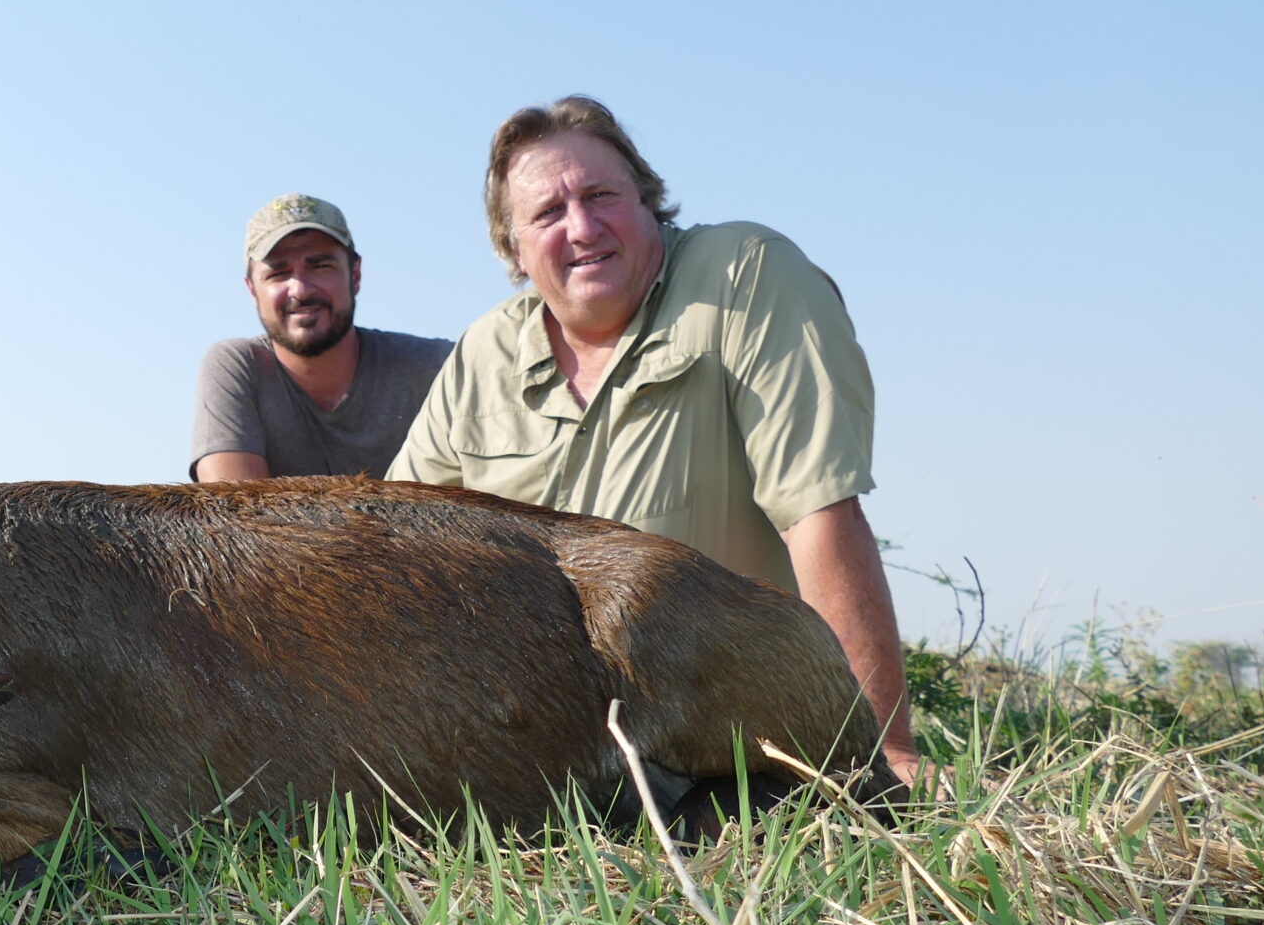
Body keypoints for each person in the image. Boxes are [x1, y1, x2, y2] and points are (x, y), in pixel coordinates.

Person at [386, 98, 918, 781]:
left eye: (600, 194)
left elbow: (820, 512)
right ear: (513, 249)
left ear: (648, 201)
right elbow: (401, 549)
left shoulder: (747, 274)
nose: (581, 227)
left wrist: (881, 753)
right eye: (548, 213)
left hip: (728, 729)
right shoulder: (483, 352)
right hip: (540, 750)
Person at [191, 195, 454, 482]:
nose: (300, 290)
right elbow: (235, 517)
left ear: (355, 275)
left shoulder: (442, 368)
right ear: (252, 290)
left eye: (320, 267)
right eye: (278, 273)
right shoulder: (238, 366)